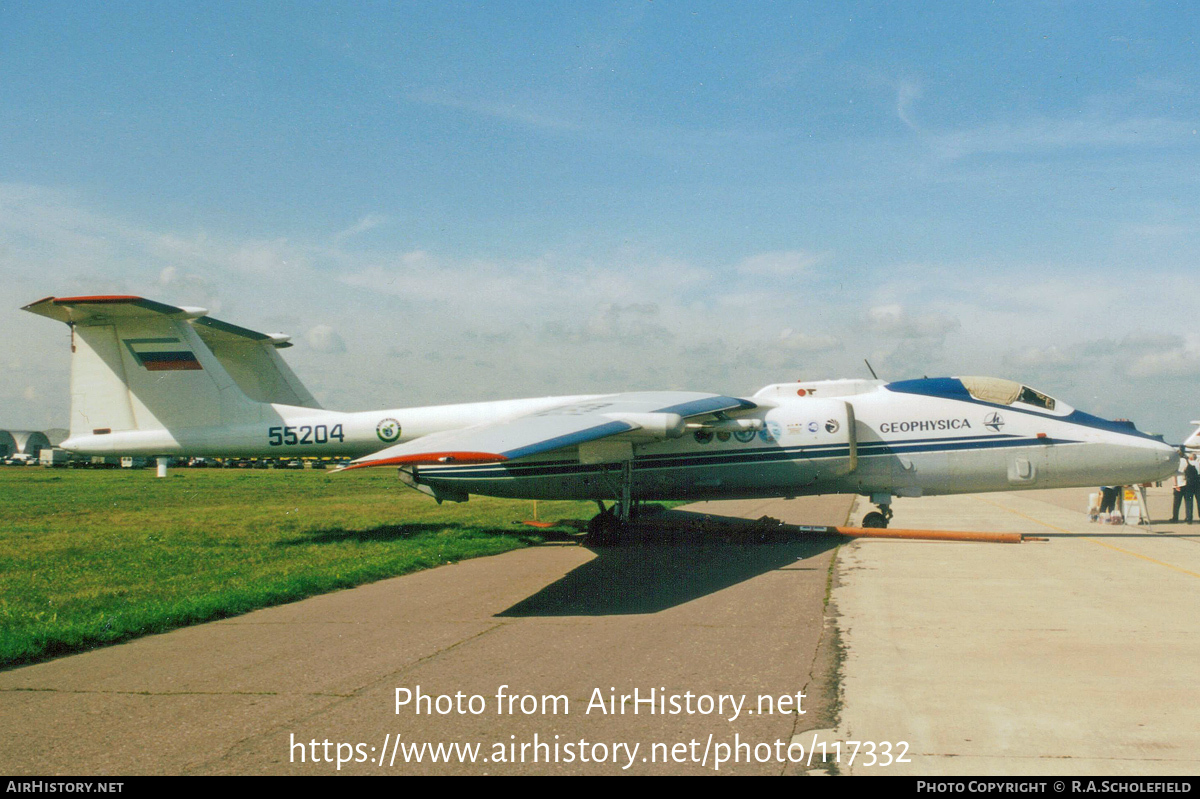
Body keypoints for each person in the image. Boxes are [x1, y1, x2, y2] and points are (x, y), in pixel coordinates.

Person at [1185, 455, 1200, 523]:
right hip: (1198, 483)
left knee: (1189, 501)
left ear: (1190, 458)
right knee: (1199, 501)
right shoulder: (1198, 464)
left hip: (1189, 484)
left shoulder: (1188, 463)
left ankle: (1189, 517)